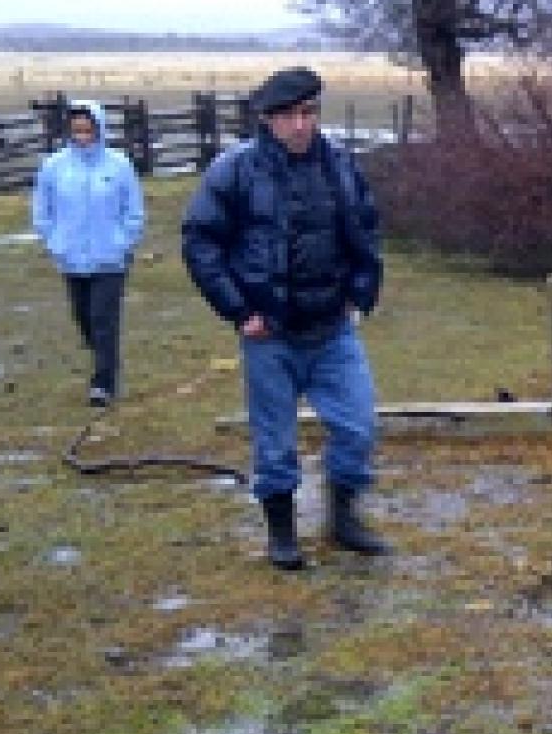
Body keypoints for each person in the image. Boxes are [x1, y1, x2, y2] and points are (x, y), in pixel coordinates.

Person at [181, 66, 391, 571]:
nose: (301, 126)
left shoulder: (340, 165)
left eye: (309, 113)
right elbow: (200, 241)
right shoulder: (235, 171)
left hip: (333, 329)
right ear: (268, 120)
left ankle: (343, 518)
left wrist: (361, 293)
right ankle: (281, 532)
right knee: (274, 441)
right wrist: (239, 309)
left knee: (359, 425)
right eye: (290, 116)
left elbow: (365, 229)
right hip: (270, 332)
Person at [32, 99, 146, 408]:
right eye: (77, 130)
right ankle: (104, 362)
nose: (82, 135)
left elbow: (133, 211)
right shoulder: (54, 167)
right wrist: (54, 241)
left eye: (87, 129)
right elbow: (43, 209)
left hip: (109, 258)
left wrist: (122, 242)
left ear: (99, 128)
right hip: (71, 258)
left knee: (103, 319)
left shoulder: (118, 165)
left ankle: (104, 383)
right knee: (83, 318)